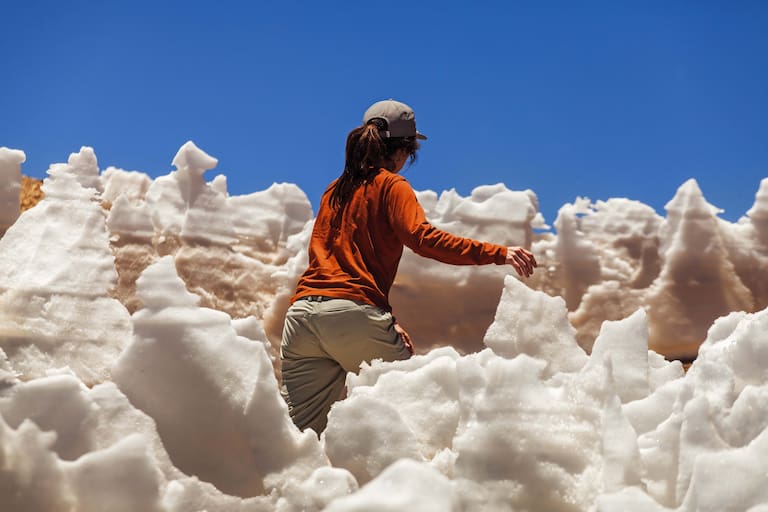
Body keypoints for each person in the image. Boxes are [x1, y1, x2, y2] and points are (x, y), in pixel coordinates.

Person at [280, 99, 537, 434]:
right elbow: (421, 237)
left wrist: (382, 321)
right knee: (413, 414)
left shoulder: (334, 191)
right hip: (352, 315)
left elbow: (337, 262)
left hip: (301, 319)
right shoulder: (392, 184)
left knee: (301, 439)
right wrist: (498, 253)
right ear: (403, 151)